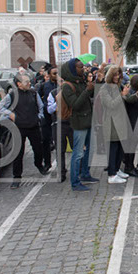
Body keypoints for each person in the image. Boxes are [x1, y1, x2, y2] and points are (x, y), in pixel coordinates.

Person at [0, 74, 47, 189]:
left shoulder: (33, 93)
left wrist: (39, 117)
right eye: (26, 82)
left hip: (34, 127)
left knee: (38, 149)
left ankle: (39, 164)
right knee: (18, 154)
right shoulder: (12, 95)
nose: (29, 83)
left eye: (29, 81)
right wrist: (10, 114)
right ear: (19, 84)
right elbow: (0, 107)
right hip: (19, 128)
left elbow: (41, 106)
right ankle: (17, 177)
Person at [60, 58, 97, 191]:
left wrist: (92, 86)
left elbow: (89, 98)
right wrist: (87, 90)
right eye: (80, 67)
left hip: (88, 120)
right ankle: (75, 182)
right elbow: (75, 105)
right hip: (79, 123)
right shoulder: (67, 86)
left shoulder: (81, 81)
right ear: (72, 69)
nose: (83, 69)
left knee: (89, 150)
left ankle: (85, 174)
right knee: (78, 153)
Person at [99, 66, 131, 183]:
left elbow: (126, 99)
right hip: (111, 122)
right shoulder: (104, 88)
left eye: (119, 74)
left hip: (121, 121)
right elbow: (111, 104)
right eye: (115, 74)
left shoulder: (118, 86)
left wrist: (137, 94)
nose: (117, 77)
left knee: (120, 148)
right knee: (113, 148)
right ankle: (111, 174)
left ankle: (116, 169)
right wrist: (122, 95)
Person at [47, 74, 73, 183]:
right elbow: (49, 110)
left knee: (76, 148)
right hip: (58, 124)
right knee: (60, 150)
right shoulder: (53, 93)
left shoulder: (72, 91)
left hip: (71, 124)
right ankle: (61, 172)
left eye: (64, 80)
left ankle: (78, 171)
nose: (62, 83)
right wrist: (58, 103)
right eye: (60, 81)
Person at [37, 66, 58, 173]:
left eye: (57, 73)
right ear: (49, 75)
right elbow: (37, 98)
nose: (56, 75)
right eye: (54, 73)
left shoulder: (61, 85)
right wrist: (43, 108)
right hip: (47, 116)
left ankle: (61, 165)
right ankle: (47, 163)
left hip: (59, 116)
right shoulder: (44, 86)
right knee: (45, 140)